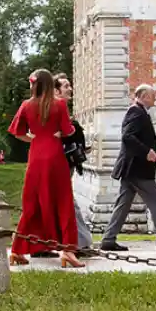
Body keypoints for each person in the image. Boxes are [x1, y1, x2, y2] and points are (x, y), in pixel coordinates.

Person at [9, 69, 83, 268]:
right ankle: (68, 251)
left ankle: (17, 250)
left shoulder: (26, 105)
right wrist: (59, 134)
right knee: (63, 202)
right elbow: (68, 130)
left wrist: (33, 138)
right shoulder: (59, 104)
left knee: (32, 203)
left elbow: (17, 132)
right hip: (55, 155)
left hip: (36, 156)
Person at [100, 84, 156, 253]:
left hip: (131, 169)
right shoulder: (136, 112)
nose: (155, 99)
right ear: (144, 96)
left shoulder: (139, 112)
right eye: (153, 96)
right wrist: (147, 151)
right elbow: (127, 137)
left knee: (123, 205)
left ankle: (108, 239)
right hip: (138, 169)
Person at [57, 76, 94, 254]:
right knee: (67, 202)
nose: (70, 89)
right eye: (66, 86)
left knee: (64, 201)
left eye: (69, 85)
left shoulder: (62, 109)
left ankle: (78, 241)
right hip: (59, 162)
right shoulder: (56, 109)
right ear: (56, 91)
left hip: (66, 162)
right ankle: (80, 242)